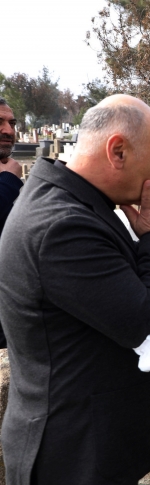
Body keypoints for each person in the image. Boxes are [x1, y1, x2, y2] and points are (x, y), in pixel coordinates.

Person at [0, 95, 150, 485]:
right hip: (78, 453)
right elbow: (143, 320)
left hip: (94, 442)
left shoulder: (78, 201)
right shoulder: (61, 224)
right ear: (117, 151)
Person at [0, 97, 24, 349]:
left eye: (12, 123)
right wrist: (8, 181)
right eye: (0, 122)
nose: (8, 130)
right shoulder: (8, 179)